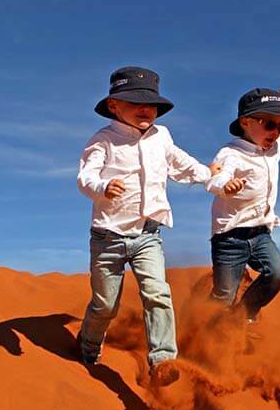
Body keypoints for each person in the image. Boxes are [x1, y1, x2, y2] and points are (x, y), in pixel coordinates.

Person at [76, 66, 215, 385]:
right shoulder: (103, 141)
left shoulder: (161, 137)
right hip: (107, 238)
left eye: (150, 104)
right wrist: (102, 187)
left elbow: (181, 163)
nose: (145, 110)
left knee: (157, 293)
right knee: (105, 305)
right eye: (135, 102)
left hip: (148, 236)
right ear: (114, 105)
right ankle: (87, 346)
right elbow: (86, 177)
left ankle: (163, 360)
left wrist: (209, 173)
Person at [205, 84, 280, 324]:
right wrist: (225, 186)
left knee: (277, 273)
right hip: (229, 238)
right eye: (269, 124)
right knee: (223, 297)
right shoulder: (231, 153)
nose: (276, 132)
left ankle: (242, 316)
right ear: (246, 122)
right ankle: (202, 329)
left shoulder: (274, 150)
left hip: (260, 234)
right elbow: (216, 176)